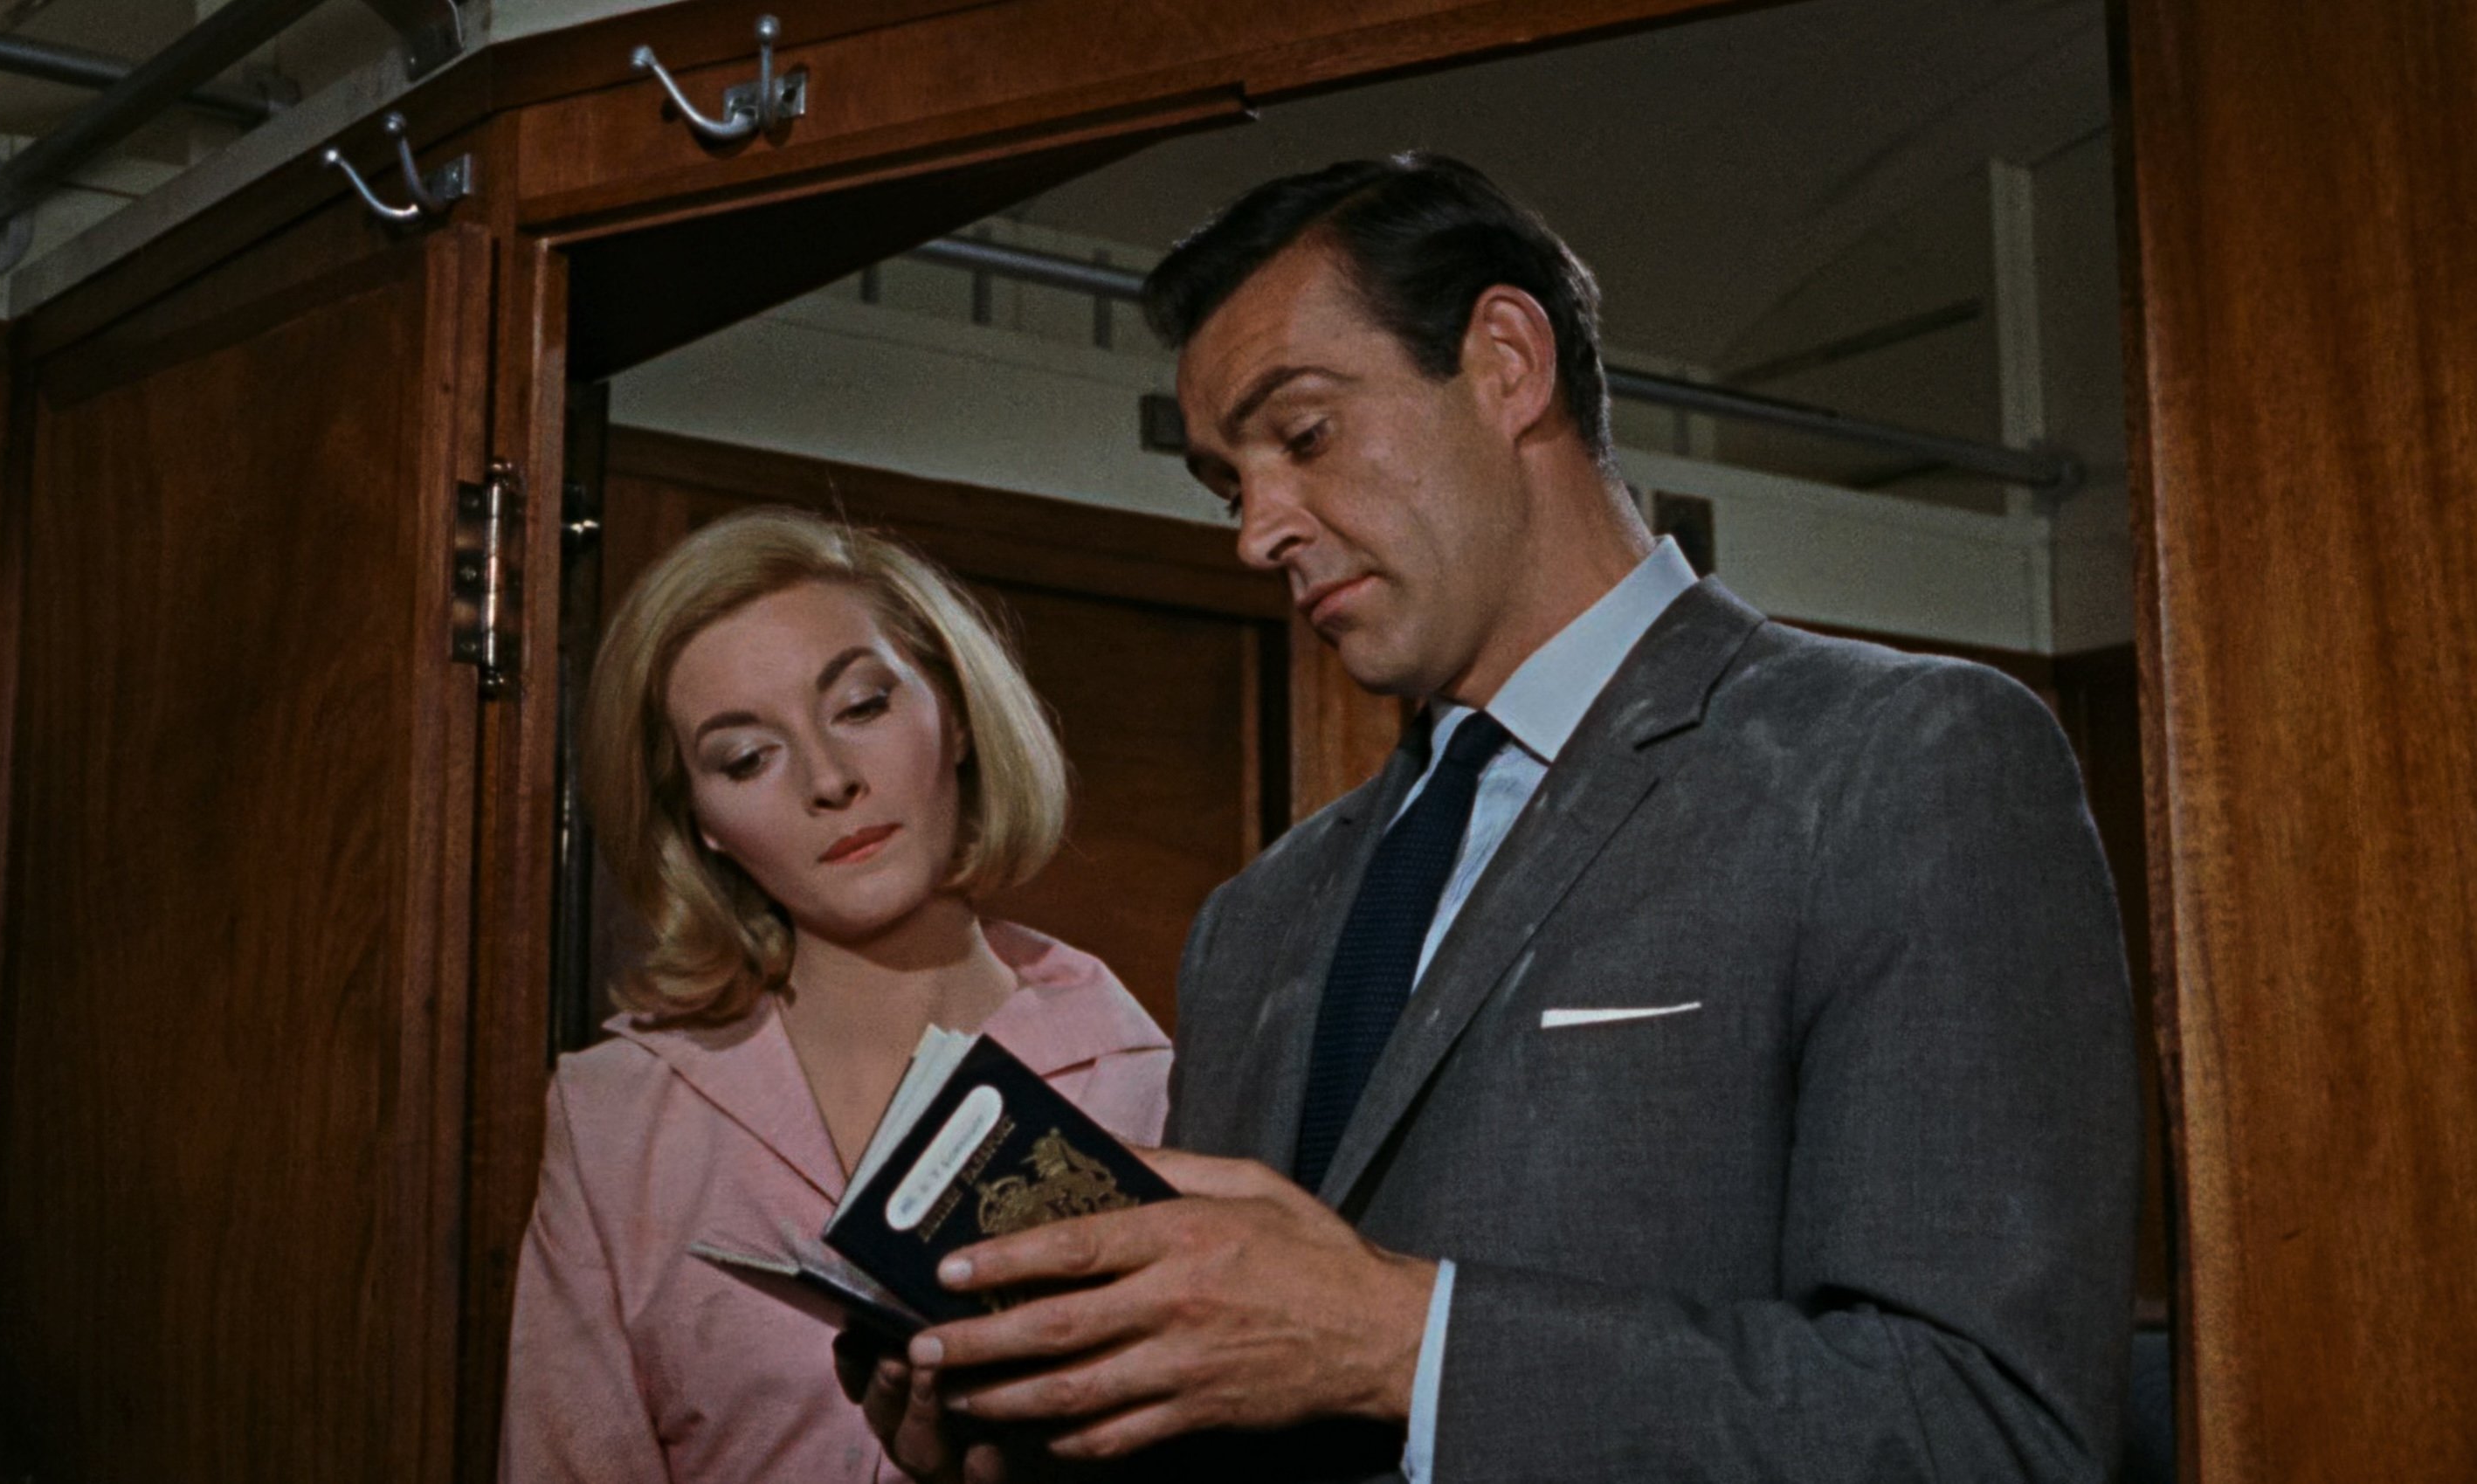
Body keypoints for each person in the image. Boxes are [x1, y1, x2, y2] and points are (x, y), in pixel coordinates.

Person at [854, 155, 2138, 1482]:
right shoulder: (1254, 921)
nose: (1257, 532)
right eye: (1229, 486)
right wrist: (1047, 1437)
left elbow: (1985, 1430)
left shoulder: (1899, 760)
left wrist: (1399, 1342)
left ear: (1509, 364)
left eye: (1303, 436)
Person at [499, 508, 1170, 1481]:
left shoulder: (1151, 1084)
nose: (829, 780)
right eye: (746, 757)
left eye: (860, 706)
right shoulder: (618, 1116)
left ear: (956, 713)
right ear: (702, 822)